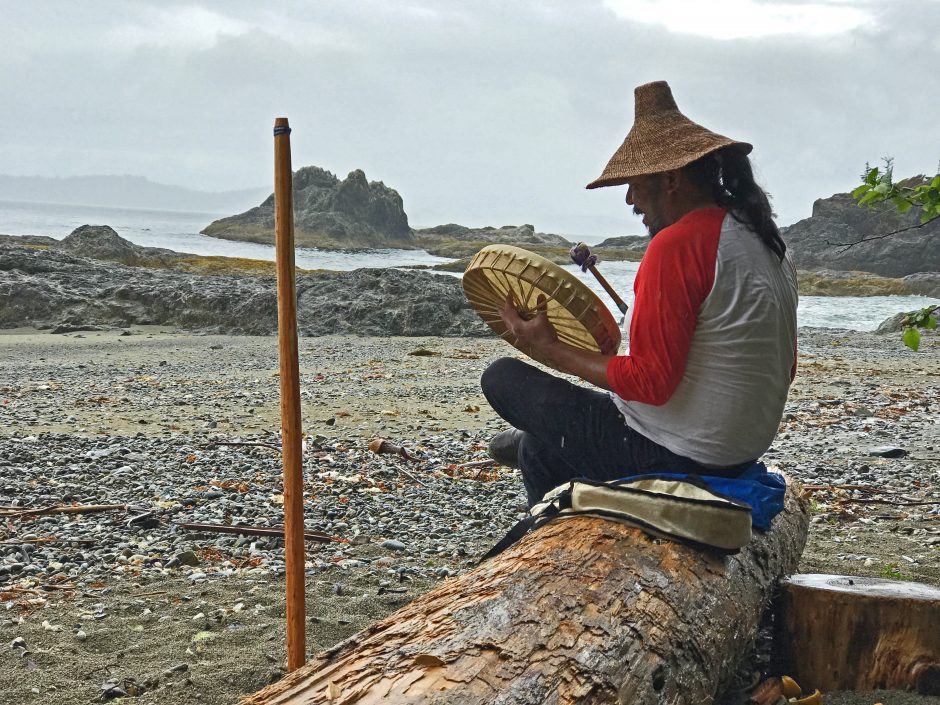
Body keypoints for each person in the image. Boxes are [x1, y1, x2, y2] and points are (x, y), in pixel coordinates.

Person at [481, 80, 798, 508]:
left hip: (683, 453)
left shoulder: (677, 245)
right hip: (738, 451)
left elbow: (650, 384)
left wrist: (550, 348)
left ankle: (531, 446)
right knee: (539, 447)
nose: (630, 199)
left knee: (502, 377)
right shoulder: (767, 242)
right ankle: (551, 520)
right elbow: (786, 367)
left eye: (634, 184)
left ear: (670, 179)